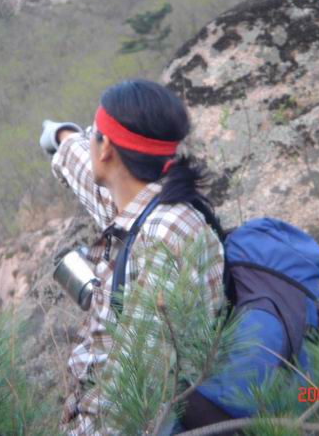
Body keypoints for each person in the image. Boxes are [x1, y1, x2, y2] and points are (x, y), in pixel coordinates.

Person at [39, 78, 226, 435]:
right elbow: (83, 167)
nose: (89, 141)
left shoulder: (163, 241)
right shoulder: (147, 200)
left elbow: (131, 396)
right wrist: (60, 136)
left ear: (106, 149)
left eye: (94, 134)